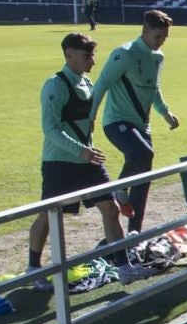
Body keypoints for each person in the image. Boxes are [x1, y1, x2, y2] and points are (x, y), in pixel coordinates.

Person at [30, 32, 150, 290]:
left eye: (93, 55)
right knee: (49, 216)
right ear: (69, 55)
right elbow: (50, 128)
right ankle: (33, 268)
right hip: (60, 162)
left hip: (88, 160)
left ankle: (124, 267)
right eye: (87, 56)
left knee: (110, 208)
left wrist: (86, 151)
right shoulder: (54, 85)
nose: (93, 61)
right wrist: (80, 150)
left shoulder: (87, 83)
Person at [90, 9, 183, 236]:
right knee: (143, 153)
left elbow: (154, 88)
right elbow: (101, 84)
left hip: (142, 126)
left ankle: (134, 234)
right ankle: (119, 189)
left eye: (164, 38)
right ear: (145, 30)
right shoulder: (124, 54)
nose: (161, 42)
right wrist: (89, 117)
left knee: (143, 179)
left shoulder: (158, 57)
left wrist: (165, 113)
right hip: (117, 122)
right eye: (157, 36)